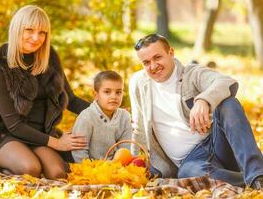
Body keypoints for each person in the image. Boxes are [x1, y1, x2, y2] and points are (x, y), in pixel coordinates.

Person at [0, 5, 89, 179]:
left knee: (58, 173)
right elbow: (13, 125)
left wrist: (105, 112)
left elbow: (72, 100)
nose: (36, 38)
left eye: (42, 32)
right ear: (16, 30)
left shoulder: (49, 60)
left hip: (39, 135)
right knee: (30, 168)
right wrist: (57, 143)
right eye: (29, 30)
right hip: (2, 135)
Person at [129, 33, 263, 189]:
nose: (153, 66)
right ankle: (250, 179)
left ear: (171, 53)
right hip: (191, 162)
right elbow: (138, 128)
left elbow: (226, 81)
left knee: (228, 104)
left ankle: (258, 177)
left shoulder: (191, 74)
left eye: (157, 57)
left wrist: (203, 100)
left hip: (216, 143)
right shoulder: (138, 83)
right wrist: (133, 162)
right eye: (146, 62)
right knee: (189, 174)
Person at [72, 71, 132, 162]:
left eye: (118, 92)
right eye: (107, 92)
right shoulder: (86, 117)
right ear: (96, 95)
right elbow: (79, 151)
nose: (114, 96)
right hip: (92, 168)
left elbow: (125, 148)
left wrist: (119, 165)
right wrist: (89, 169)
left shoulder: (125, 117)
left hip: (116, 166)